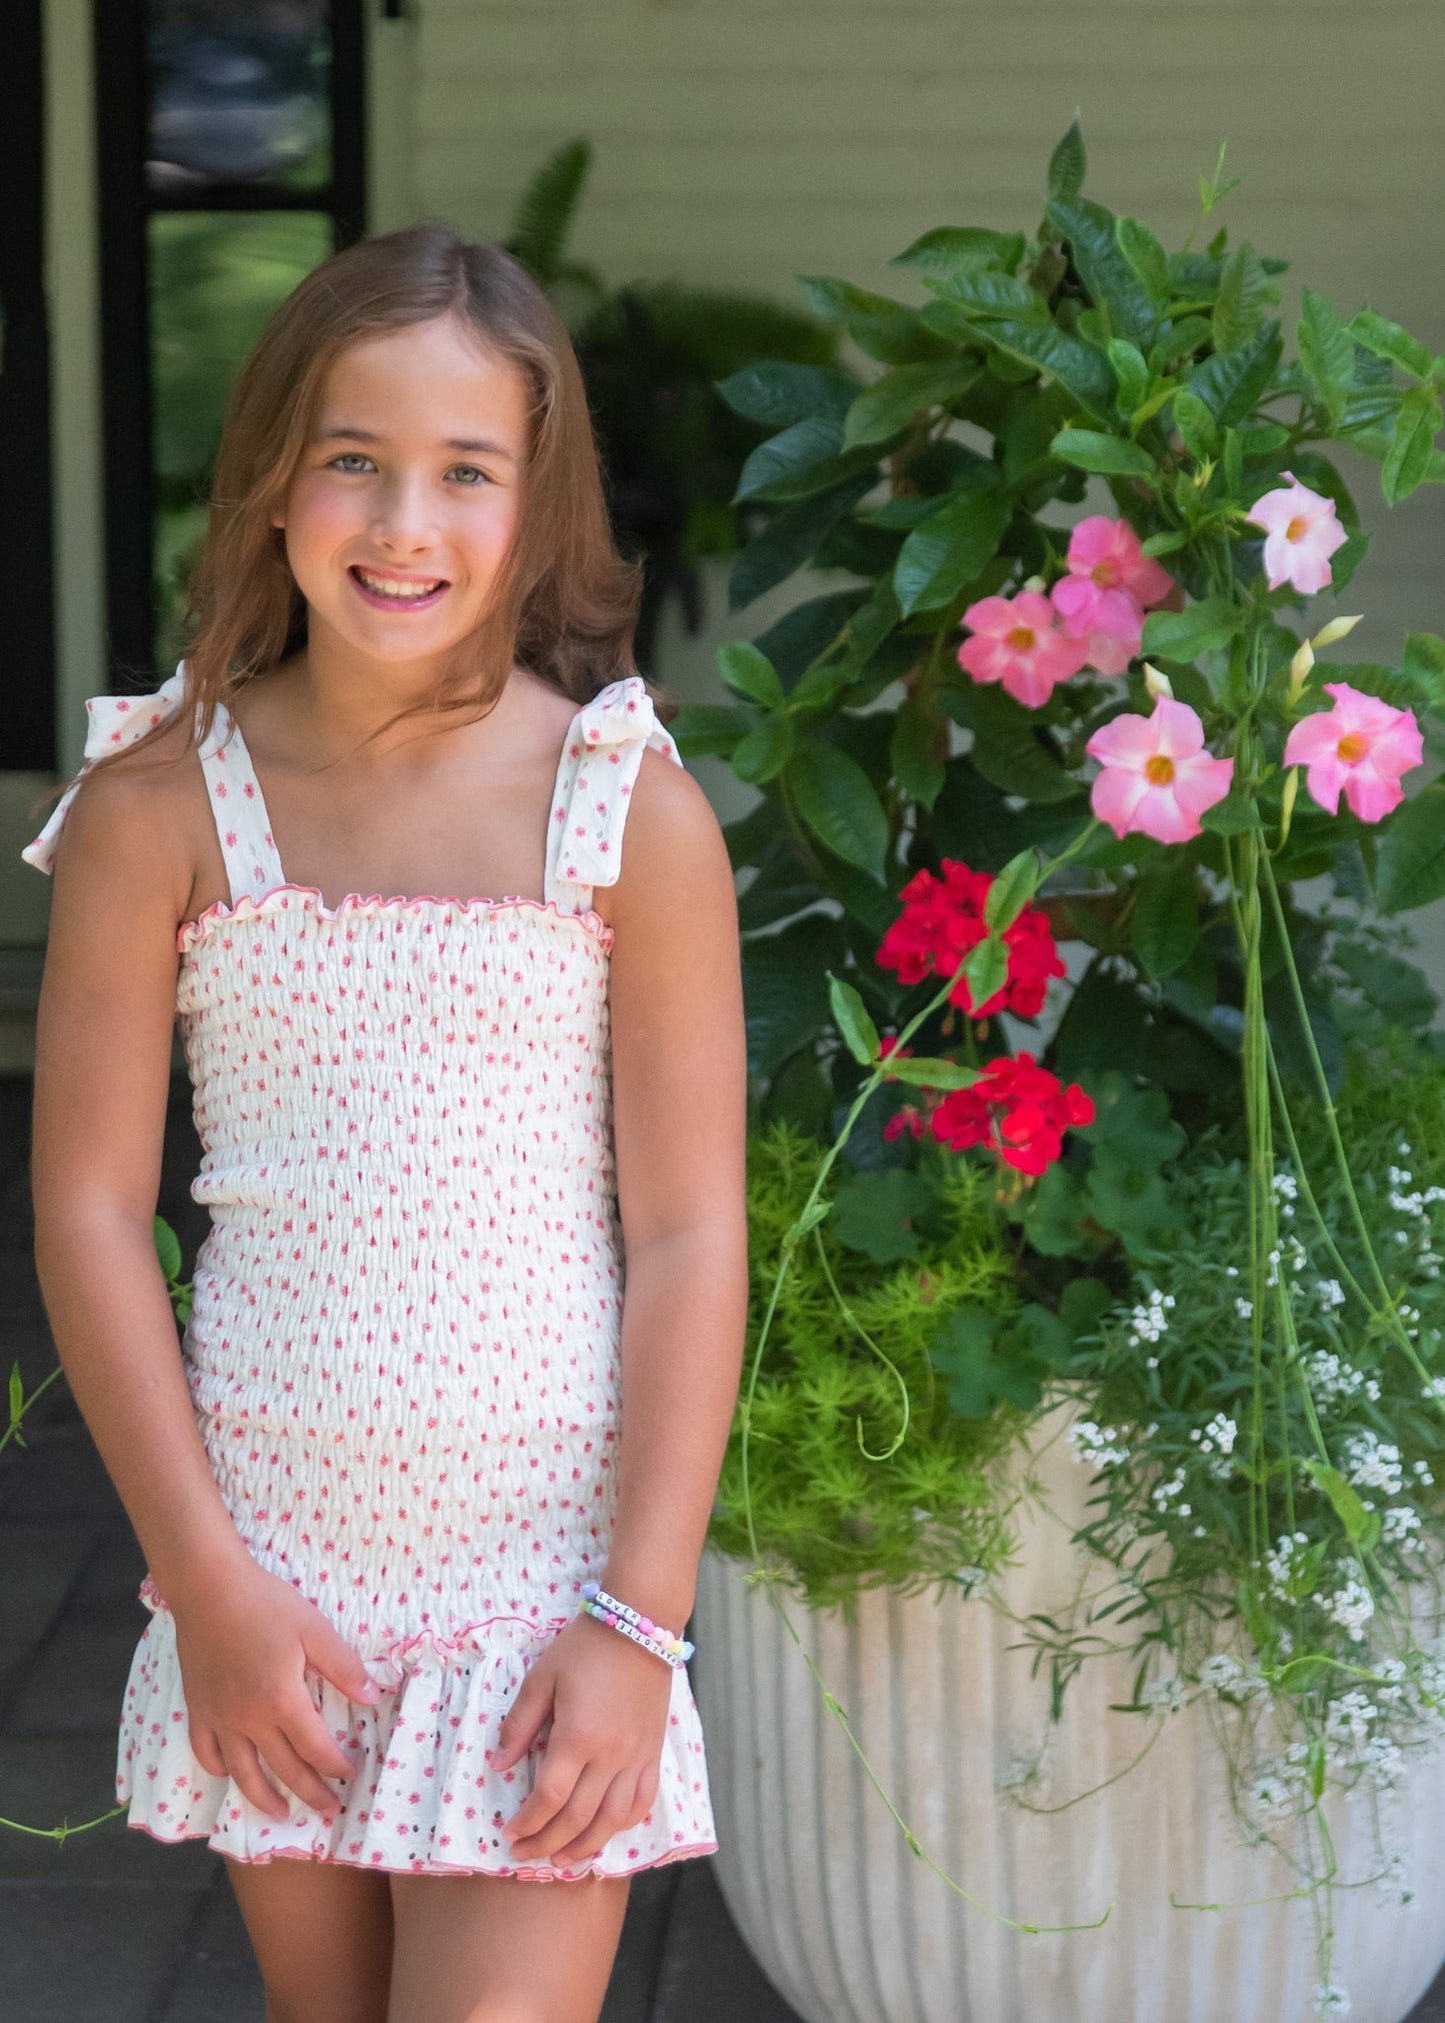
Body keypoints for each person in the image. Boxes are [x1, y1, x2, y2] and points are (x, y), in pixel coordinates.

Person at [23, 224, 749, 2023]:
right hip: (275, 1572)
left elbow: (687, 1235)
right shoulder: (158, 803)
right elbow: (92, 1211)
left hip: (544, 1587)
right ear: (272, 475)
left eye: (465, 471)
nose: (403, 523)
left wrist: (638, 1620)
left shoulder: (625, 814)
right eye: (353, 458)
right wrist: (203, 1581)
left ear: (539, 501)